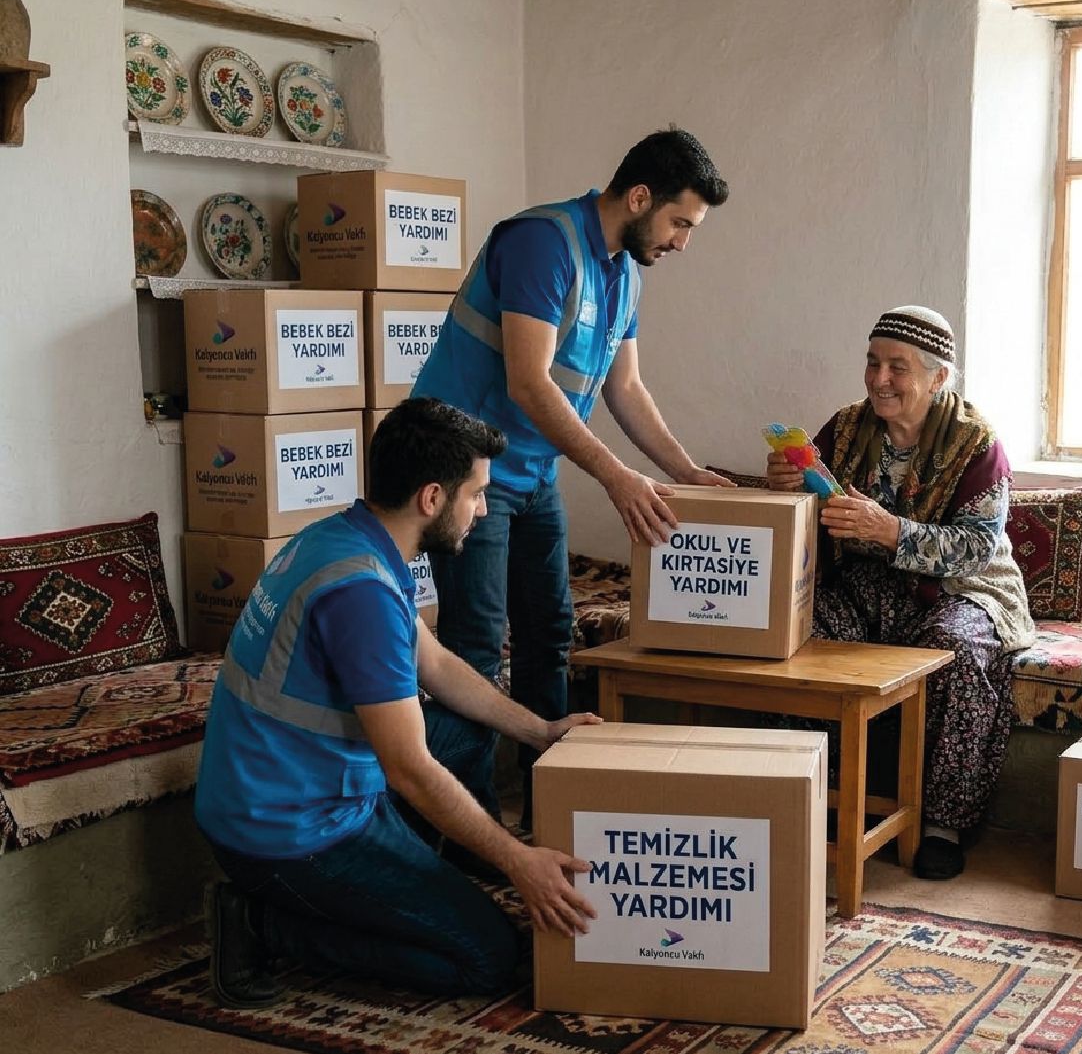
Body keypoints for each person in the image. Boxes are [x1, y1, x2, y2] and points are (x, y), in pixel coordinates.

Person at [194, 397, 601, 1010]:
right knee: (488, 957)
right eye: (477, 495)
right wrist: (518, 860)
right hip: (291, 830)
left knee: (471, 729)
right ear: (432, 498)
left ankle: (415, 873)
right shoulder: (360, 593)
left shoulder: (349, 538)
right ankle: (261, 924)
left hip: (288, 778)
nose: (483, 510)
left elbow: (435, 665)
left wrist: (542, 731)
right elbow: (409, 769)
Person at [412, 127, 733, 827]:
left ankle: (547, 811)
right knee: (475, 645)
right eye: (680, 222)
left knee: (550, 634)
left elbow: (626, 388)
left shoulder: (625, 271)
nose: (682, 242)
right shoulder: (543, 242)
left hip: (530, 472)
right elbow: (528, 382)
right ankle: (465, 829)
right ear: (639, 197)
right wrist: (617, 477)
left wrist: (686, 471)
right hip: (468, 477)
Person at [766, 305, 1034, 881]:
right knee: (802, 632)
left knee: (957, 649)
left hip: (963, 590)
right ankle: (818, 794)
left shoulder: (976, 444)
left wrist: (892, 530)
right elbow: (811, 515)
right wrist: (787, 486)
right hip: (865, 585)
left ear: (938, 378)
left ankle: (941, 824)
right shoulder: (844, 428)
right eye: (872, 362)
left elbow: (976, 548)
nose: (879, 379)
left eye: (897, 367)